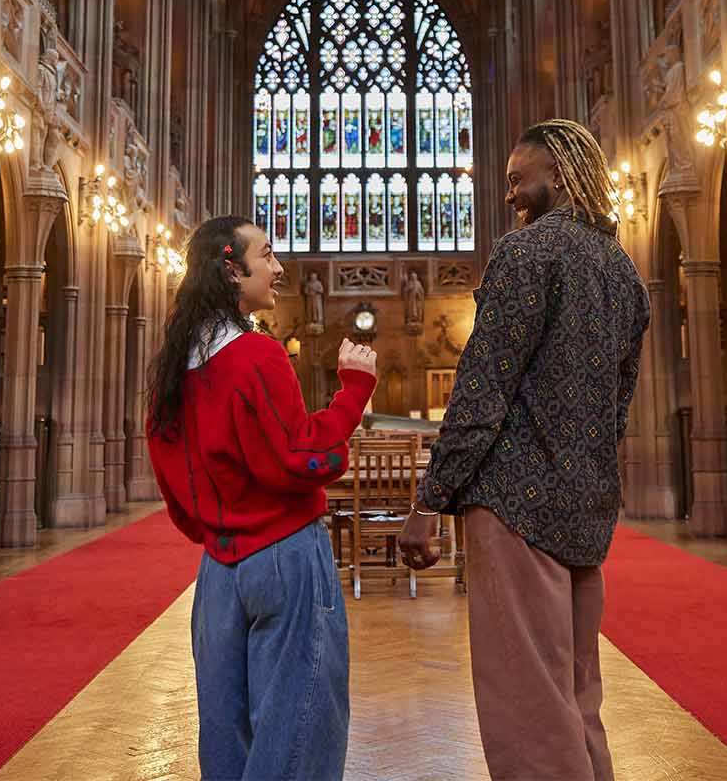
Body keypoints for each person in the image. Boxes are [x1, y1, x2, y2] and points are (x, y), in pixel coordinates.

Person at [397, 119, 650, 781]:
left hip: (515, 503)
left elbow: (482, 387)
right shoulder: (622, 272)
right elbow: (617, 400)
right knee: (574, 694)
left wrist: (429, 499)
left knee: (526, 706)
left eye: (517, 180)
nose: (509, 196)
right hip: (585, 508)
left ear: (558, 174)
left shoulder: (526, 254)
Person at [145, 215, 378, 781]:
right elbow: (302, 458)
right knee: (301, 723)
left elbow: (165, 456)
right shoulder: (256, 354)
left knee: (225, 732)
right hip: (283, 556)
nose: (279, 268)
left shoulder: (180, 362)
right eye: (267, 255)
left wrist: (212, 527)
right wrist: (354, 392)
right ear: (231, 270)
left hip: (219, 570)